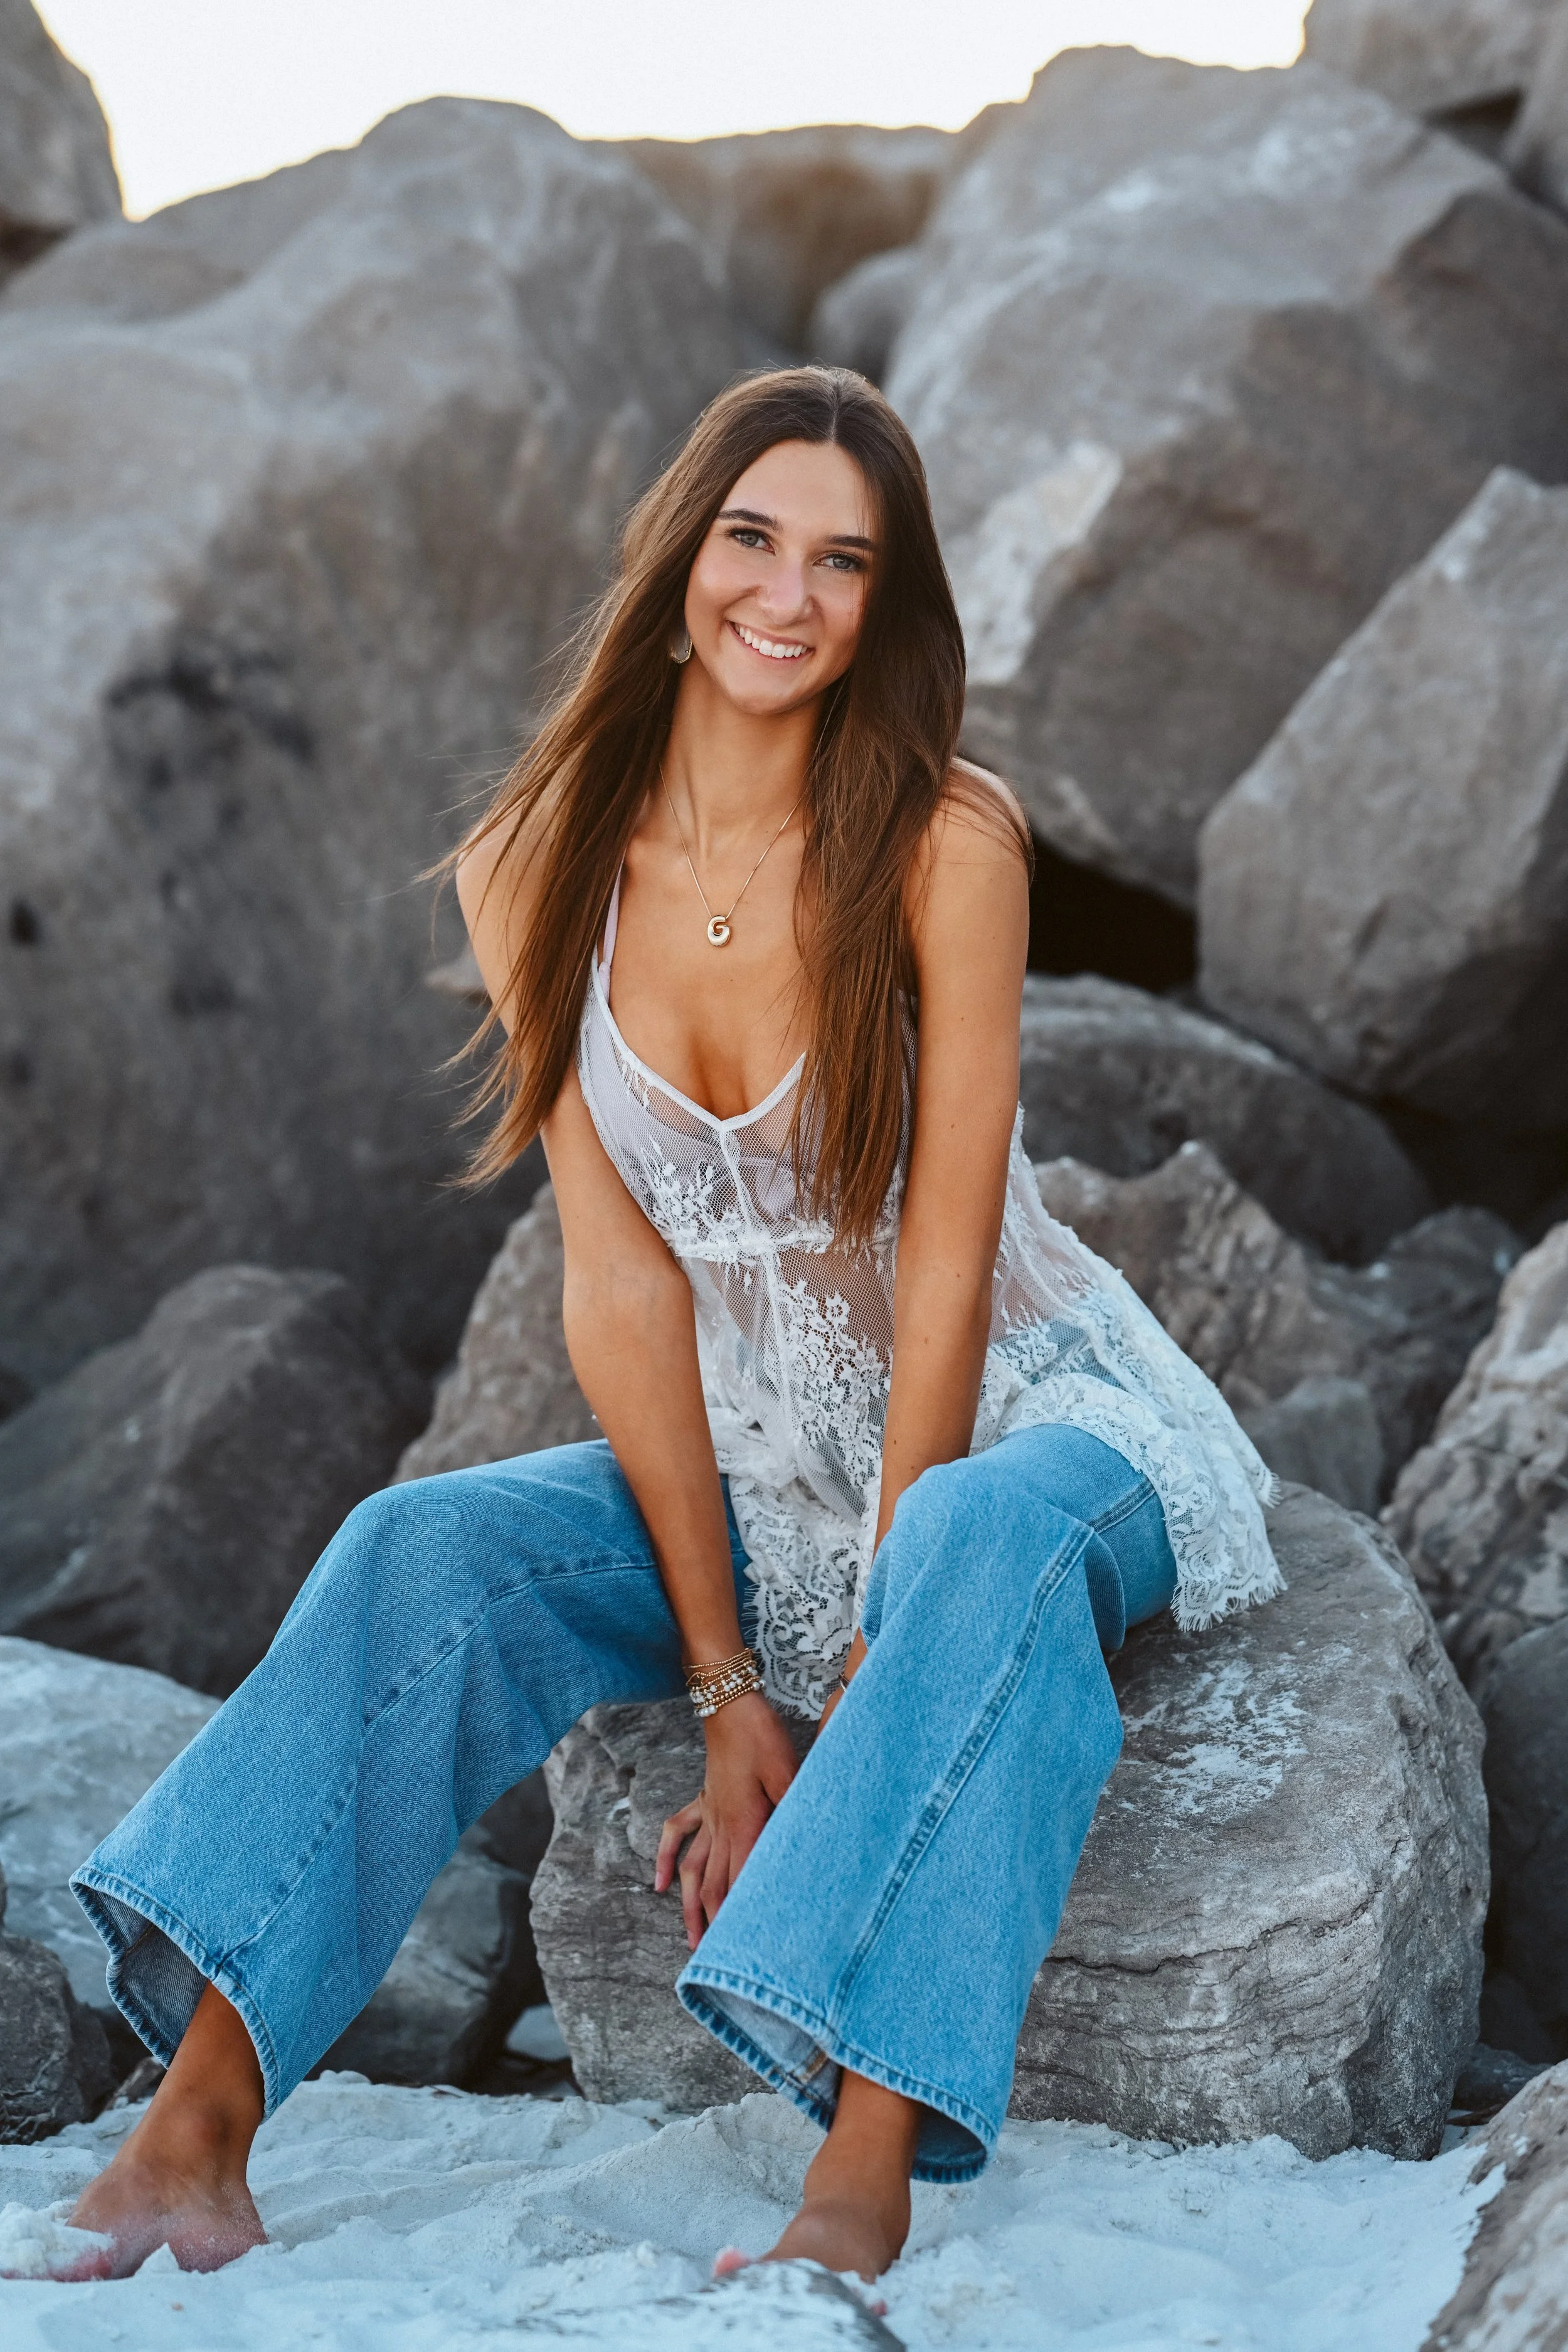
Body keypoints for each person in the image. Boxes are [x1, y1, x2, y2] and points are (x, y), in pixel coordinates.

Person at [61, 366, 1281, 2286]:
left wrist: (869, 1659)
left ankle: (857, 2170)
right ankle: (192, 2129)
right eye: (752, 539)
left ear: (885, 602)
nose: (787, 595)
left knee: (970, 1537)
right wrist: (727, 1693)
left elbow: (947, 1250)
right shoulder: (532, 864)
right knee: (425, 1547)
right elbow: (619, 1280)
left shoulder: (943, 842)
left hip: (1036, 1418)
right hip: (760, 1457)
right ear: (679, 556)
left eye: (843, 562)